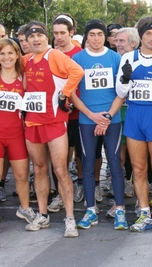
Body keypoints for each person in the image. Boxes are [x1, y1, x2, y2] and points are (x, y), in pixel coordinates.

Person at [22, 21, 84, 237]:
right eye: (31, 36)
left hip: (55, 121)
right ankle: (43, 214)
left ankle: (69, 218)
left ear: (46, 37)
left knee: (60, 170)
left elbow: (77, 71)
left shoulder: (54, 55)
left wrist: (64, 94)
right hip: (32, 121)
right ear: (27, 40)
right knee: (39, 168)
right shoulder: (25, 60)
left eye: (39, 35)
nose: (36, 39)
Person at [116, 16, 152, 234]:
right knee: (139, 169)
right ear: (140, 36)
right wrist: (124, 79)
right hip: (134, 114)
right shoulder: (129, 58)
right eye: (149, 34)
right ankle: (144, 214)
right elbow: (121, 93)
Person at [70, 19, 127, 230]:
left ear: (106, 37)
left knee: (115, 163)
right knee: (87, 164)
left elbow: (122, 92)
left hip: (112, 119)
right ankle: (91, 210)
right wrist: (93, 116)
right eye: (92, 34)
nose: (96, 38)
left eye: (100, 34)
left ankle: (120, 209)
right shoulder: (77, 59)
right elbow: (72, 94)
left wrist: (108, 117)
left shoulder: (115, 58)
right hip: (87, 119)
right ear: (86, 36)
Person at [47, 13, 83, 214]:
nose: (59, 37)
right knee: (58, 159)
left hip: (77, 114)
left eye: (63, 33)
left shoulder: (80, 54)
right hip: (54, 117)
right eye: (55, 33)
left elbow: (83, 84)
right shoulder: (49, 54)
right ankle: (59, 195)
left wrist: (70, 100)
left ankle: (79, 186)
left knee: (79, 153)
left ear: (71, 33)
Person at [0, 38, 37, 226]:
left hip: (17, 134)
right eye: (2, 53)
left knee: (22, 176)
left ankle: (24, 208)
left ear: (16, 55)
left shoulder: (24, 78)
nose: (6, 57)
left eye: (10, 53)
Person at [105, 27, 140, 219]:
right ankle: (119, 199)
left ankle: (139, 201)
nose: (117, 44)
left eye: (121, 41)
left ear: (133, 44)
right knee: (118, 157)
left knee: (138, 159)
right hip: (117, 113)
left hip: (135, 114)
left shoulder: (141, 58)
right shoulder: (113, 59)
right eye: (116, 41)